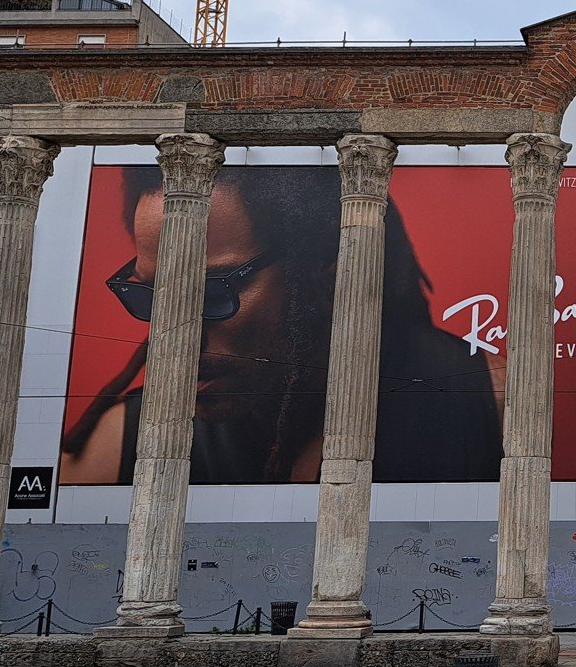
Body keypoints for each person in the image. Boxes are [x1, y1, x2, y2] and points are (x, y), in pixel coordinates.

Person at [61, 165, 504, 486]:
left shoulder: (502, 408)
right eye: (150, 295)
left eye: (213, 291)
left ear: (330, 267)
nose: (173, 338)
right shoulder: (114, 448)